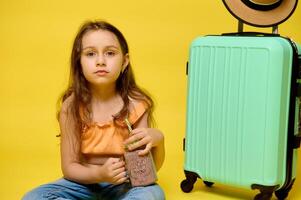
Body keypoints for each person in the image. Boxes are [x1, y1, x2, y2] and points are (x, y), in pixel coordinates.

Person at [22, 20, 165, 200]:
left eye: (110, 53)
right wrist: (99, 174)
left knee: (151, 194)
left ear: (124, 61)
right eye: (90, 54)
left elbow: (148, 169)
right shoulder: (71, 107)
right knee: (34, 197)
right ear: (79, 63)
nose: (100, 61)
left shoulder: (136, 104)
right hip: (82, 184)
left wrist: (159, 139)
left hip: (126, 184)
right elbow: (69, 167)